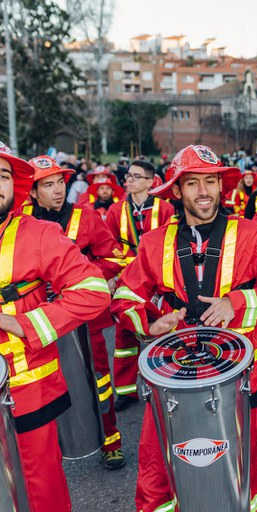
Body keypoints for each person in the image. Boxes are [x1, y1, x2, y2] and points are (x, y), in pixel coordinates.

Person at [111, 144, 257, 512]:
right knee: (157, 472)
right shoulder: (153, 243)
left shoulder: (252, 234)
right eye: (193, 183)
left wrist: (238, 303)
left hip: (237, 373)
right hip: (171, 374)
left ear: (221, 186)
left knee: (241, 471)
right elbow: (123, 297)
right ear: (177, 191)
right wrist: (151, 323)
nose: (203, 192)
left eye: (211, 181)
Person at [0, 142, 111, 510]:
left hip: (28, 389)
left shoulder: (38, 234)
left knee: (42, 491)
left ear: (13, 187)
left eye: (2, 175)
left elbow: (94, 291)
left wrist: (21, 323)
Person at [22, 156, 127, 469]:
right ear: (31, 192)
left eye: (60, 183)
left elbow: (115, 258)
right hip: (40, 318)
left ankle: (111, 441)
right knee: (43, 384)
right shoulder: (21, 221)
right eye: (48, 184)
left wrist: (79, 278)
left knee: (99, 381)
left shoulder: (85, 216)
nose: (57, 190)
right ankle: (54, 447)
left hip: (84, 318)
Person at [106, 159, 175, 410]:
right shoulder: (115, 211)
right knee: (124, 334)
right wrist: (115, 274)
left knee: (161, 328)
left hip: (157, 280)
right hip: (127, 280)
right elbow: (109, 246)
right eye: (128, 176)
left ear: (150, 181)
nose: (129, 180)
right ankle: (126, 390)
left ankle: (165, 380)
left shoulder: (166, 208)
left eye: (136, 176)